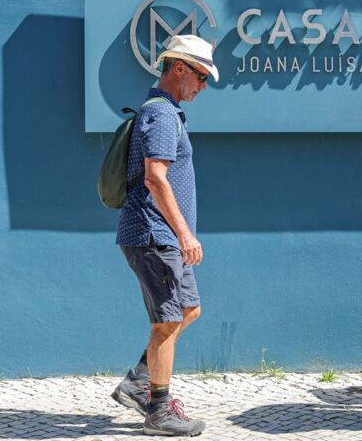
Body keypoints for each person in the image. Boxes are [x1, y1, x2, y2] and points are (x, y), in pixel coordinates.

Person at [111, 34, 219, 436]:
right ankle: (158, 411)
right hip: (154, 233)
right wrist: (185, 233)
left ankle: (138, 381)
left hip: (165, 236)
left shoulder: (169, 113)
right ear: (180, 68)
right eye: (201, 76)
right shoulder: (160, 115)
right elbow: (155, 178)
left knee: (187, 310)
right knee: (166, 322)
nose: (203, 86)